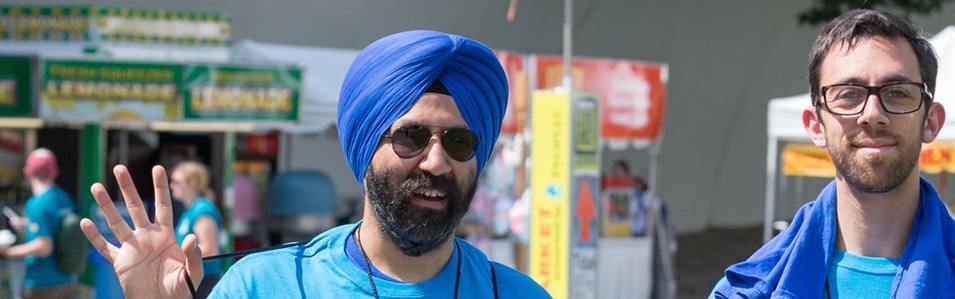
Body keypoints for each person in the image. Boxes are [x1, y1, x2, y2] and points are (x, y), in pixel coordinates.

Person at [79, 30, 551, 298]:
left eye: (460, 141)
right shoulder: (264, 286)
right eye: (410, 136)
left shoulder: (516, 294)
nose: (436, 161)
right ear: (365, 144)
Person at [710, 9, 955, 298]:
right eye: (848, 94)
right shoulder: (742, 293)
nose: (872, 114)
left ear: (930, 122)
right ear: (815, 125)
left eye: (897, 92)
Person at [1, 148, 77, 299]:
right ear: (55, 172)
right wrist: (27, 226)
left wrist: (6, 252)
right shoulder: (63, 197)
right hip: (67, 280)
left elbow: (44, 246)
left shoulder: (36, 203)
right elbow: (55, 228)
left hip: (41, 283)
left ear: (28, 172)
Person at [168, 161, 223, 297]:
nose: (172, 186)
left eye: (177, 181)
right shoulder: (190, 210)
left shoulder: (202, 209)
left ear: (192, 183)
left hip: (204, 283)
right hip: (193, 281)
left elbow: (210, 249)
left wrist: (173, 257)